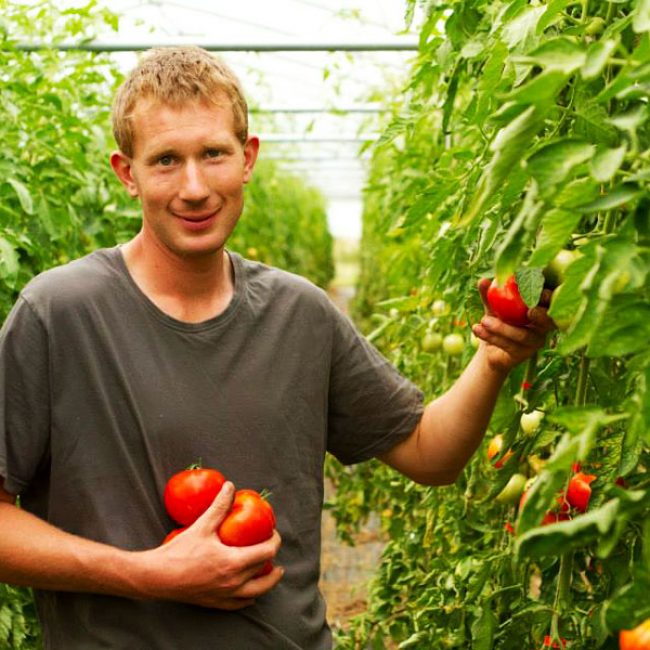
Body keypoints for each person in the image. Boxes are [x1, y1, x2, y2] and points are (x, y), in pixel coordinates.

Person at [0, 46, 554, 649]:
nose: (194, 187)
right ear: (126, 173)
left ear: (248, 159)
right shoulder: (60, 313)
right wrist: (144, 575)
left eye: (213, 153)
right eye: (165, 160)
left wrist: (493, 358)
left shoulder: (301, 314)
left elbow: (429, 454)